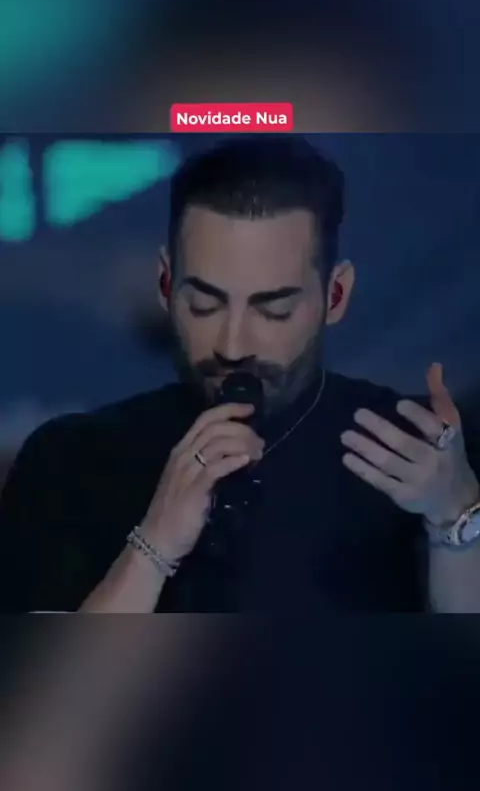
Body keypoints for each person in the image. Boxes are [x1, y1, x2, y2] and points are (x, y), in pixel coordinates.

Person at [0, 134, 479, 613]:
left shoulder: (416, 453)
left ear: (335, 296)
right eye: (204, 304)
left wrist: (456, 518)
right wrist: (153, 545)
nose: (232, 347)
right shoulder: (68, 458)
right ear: (165, 283)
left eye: (273, 311)